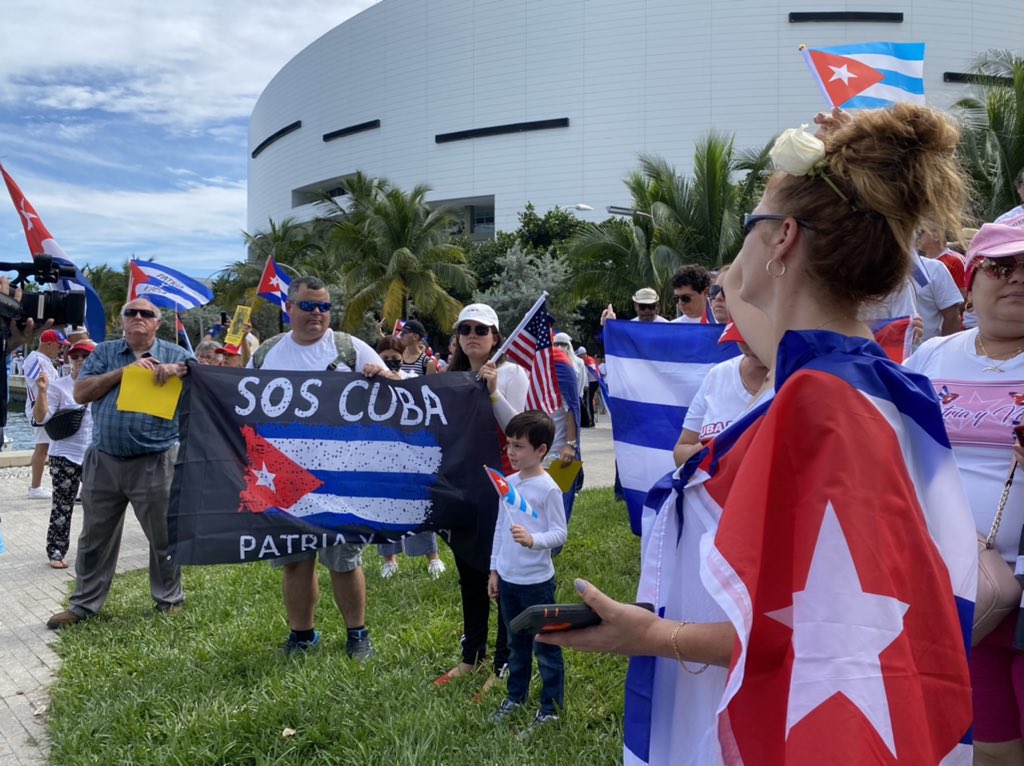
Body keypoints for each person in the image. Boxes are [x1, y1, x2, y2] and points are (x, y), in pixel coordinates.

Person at [540, 104, 977, 764]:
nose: (729, 261)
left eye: (749, 226)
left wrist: (655, 635)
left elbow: (829, 640)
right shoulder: (868, 386)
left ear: (781, 241)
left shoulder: (821, 407)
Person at [904, 222, 1024, 765]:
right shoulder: (931, 357)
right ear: (969, 283)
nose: (1017, 280)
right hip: (957, 583)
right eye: (1002, 268)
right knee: (991, 745)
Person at [249, 276, 393, 659]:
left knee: (345, 560)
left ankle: (357, 635)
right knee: (295, 561)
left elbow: (399, 393)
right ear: (289, 308)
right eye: (309, 306)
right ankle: (302, 636)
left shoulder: (350, 348)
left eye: (325, 306)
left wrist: (384, 377)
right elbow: (239, 401)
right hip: (282, 474)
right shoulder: (266, 354)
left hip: (340, 476)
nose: (318, 313)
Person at [47, 298, 191, 629]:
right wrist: (123, 373)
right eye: (131, 313)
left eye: (146, 314)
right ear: (122, 321)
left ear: (158, 323)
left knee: (164, 537)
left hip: (156, 460)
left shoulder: (178, 355)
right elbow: (82, 393)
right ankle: (84, 605)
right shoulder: (105, 353)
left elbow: (205, 384)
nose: (138, 317)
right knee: (94, 537)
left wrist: (180, 372)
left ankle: (169, 600)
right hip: (104, 460)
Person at [436, 303, 528, 694]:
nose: (473, 335)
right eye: (465, 329)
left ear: (495, 336)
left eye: (481, 329)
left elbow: (518, 430)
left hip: (499, 486)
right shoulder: (448, 377)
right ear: (457, 336)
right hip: (461, 487)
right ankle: (470, 656)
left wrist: (492, 393)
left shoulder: (510, 373)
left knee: (502, 574)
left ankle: (505, 661)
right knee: (469, 576)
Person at [488, 411, 567, 734]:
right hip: (509, 580)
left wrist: (534, 540)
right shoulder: (509, 484)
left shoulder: (549, 489)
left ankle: (550, 708)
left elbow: (560, 533)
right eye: (509, 445)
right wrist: (494, 569)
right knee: (515, 645)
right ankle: (515, 696)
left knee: (545, 646)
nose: (511, 452)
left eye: (519, 446)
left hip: (536, 584)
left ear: (541, 450)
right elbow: (499, 527)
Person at [373, 339, 446, 579]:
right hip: (381, 453)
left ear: (403, 357)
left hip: (410, 452)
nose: (390, 360)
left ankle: (433, 558)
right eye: (385, 356)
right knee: (384, 506)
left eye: (395, 356)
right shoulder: (368, 382)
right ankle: (389, 560)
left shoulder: (412, 381)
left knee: (418, 504)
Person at [672, 321, 770, 467]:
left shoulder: (799, 376)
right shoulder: (718, 375)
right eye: (742, 336)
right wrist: (712, 449)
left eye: (757, 336)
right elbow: (680, 453)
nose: (749, 345)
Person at [33, 340, 95, 568]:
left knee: (97, 506)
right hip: (65, 455)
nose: (79, 360)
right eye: (75, 356)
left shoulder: (102, 386)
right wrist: (42, 392)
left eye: (85, 356)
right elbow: (41, 418)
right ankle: (56, 551)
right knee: (62, 505)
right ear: (69, 359)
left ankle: (94, 551)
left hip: (94, 454)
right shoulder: (59, 386)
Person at [23, 328, 69, 499]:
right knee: (42, 447)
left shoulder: (41, 360)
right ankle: (35, 487)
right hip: (41, 407)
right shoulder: (36, 359)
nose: (61, 350)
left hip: (45, 406)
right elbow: (42, 385)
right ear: (49, 344)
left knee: (44, 446)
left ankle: (37, 486)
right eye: (59, 346)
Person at [600, 287, 668, 325]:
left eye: (651, 306)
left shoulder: (667, 326)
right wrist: (609, 325)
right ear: (635, 306)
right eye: (643, 307)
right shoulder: (630, 327)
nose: (647, 310)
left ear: (657, 307)